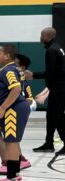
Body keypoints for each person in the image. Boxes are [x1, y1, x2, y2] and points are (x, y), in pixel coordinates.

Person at [0, 44, 30, 181]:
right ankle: (16, 175)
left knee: (11, 142)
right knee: (10, 141)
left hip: (13, 110)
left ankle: (12, 178)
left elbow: (16, 88)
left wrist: (2, 108)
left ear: (7, 55)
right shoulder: (10, 69)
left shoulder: (8, 70)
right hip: (13, 109)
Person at [25, 27, 65, 155]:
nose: (40, 37)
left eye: (42, 35)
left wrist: (32, 75)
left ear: (47, 37)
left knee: (58, 117)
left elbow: (50, 73)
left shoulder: (51, 51)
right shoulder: (57, 47)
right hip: (58, 88)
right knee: (51, 117)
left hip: (59, 89)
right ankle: (49, 143)